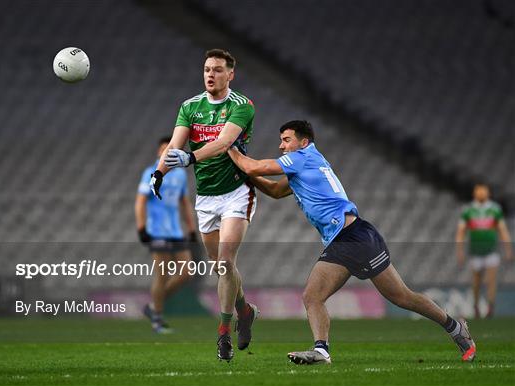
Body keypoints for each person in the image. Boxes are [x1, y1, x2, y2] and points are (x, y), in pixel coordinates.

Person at [227, 120, 477, 364]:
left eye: (286, 140)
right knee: (313, 296)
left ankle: (454, 327)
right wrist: (245, 174)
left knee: (402, 297)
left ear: (303, 142)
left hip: (354, 237)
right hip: (345, 239)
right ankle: (321, 351)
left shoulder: (302, 157)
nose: (281, 146)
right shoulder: (307, 163)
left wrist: (229, 147)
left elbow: (255, 166)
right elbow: (274, 190)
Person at [149, 49, 258, 361]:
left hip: (237, 190)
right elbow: (174, 145)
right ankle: (245, 311)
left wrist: (191, 157)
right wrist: (159, 172)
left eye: (218, 69)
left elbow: (224, 143)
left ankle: (223, 332)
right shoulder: (190, 106)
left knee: (225, 261)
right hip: (206, 197)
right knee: (221, 267)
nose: (211, 74)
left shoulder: (241, 105)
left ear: (230, 75)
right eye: (207, 69)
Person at [136, 136, 197, 333]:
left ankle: (154, 306)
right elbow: (141, 201)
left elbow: (184, 202)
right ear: (158, 152)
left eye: (170, 150)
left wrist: (191, 228)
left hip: (176, 230)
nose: (167, 153)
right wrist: (142, 228)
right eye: (164, 149)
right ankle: (157, 320)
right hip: (157, 230)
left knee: (187, 272)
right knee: (162, 275)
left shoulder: (179, 174)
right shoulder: (151, 173)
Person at [456, 184, 513, 319]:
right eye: (479, 190)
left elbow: (502, 230)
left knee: (491, 280)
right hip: (475, 252)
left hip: (491, 251)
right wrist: (460, 250)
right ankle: (476, 305)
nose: (481, 193)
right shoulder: (468, 210)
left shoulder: (494, 209)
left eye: (484, 190)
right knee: (476, 282)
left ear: (488, 193)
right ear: (474, 193)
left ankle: (490, 307)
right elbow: (461, 231)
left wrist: (508, 248)